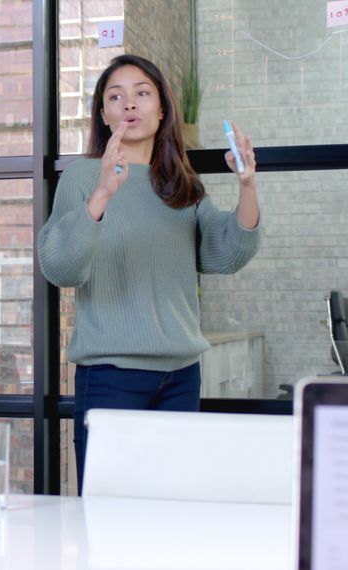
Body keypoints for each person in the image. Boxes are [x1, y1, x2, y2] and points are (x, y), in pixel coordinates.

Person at [37, 54, 262, 491]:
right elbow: (60, 266)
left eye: (142, 93)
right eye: (116, 97)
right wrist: (102, 193)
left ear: (162, 109)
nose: (130, 105)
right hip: (111, 376)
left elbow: (227, 252)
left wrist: (247, 185)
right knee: (109, 513)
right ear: (103, 115)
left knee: (172, 511)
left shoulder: (182, 183)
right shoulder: (82, 177)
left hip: (181, 376)